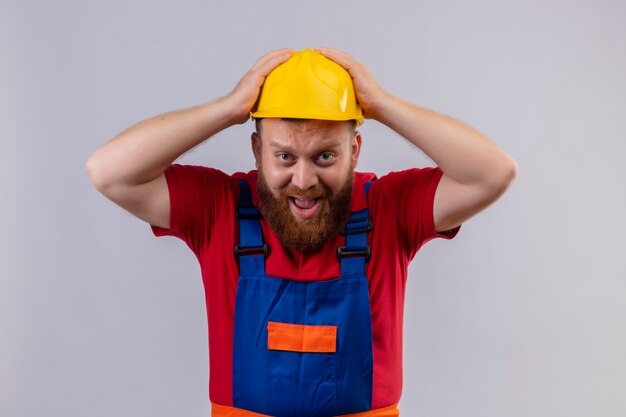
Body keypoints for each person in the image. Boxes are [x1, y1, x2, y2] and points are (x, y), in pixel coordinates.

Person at [87, 47, 517, 417]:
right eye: (285, 156)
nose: (304, 180)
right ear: (257, 151)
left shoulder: (389, 209)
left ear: (355, 150)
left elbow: (493, 173)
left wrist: (381, 104)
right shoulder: (220, 209)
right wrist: (228, 109)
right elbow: (109, 172)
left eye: (326, 156)